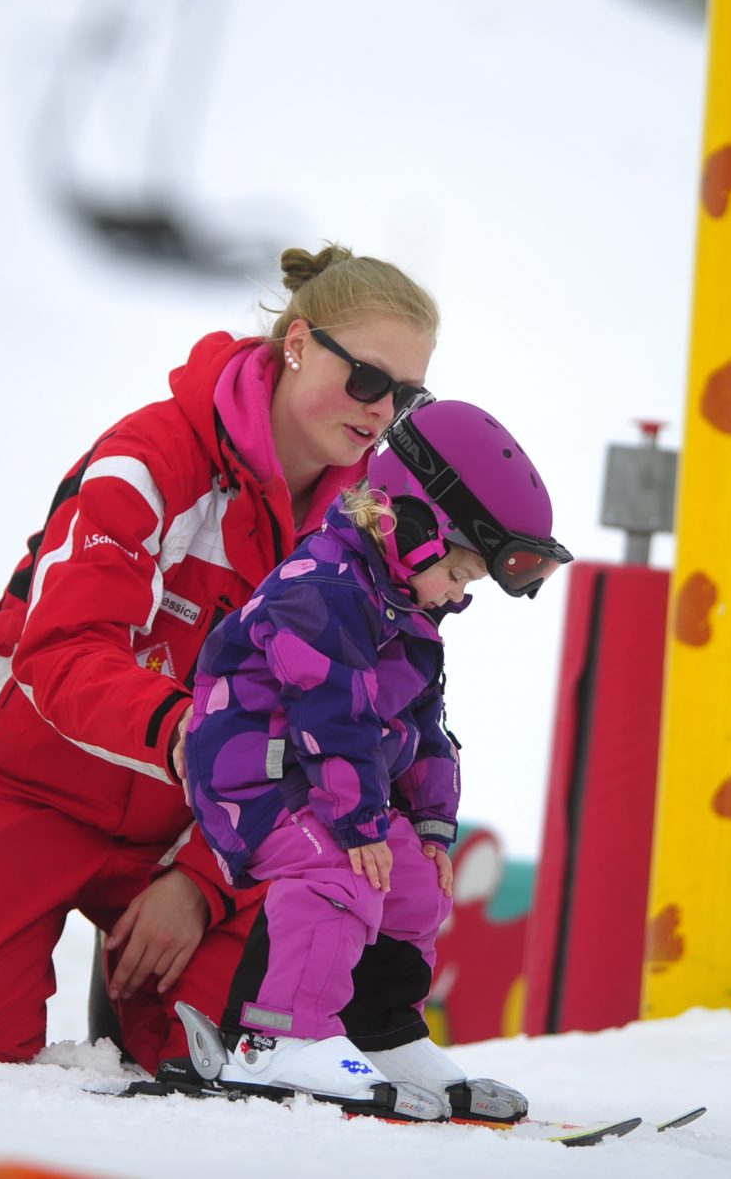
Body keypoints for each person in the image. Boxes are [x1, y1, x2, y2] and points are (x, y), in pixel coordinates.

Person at [0, 245, 439, 1073]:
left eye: (407, 396)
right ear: (299, 344)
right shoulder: (155, 455)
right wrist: (187, 732)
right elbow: (61, 650)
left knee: (238, 1062)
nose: (383, 411)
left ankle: (146, 999)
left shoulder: (364, 528)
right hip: (30, 783)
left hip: (195, 821)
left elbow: (341, 725)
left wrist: (203, 880)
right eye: (367, 380)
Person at [182, 399, 574, 1120]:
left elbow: (423, 724)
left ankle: (379, 1031)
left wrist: (430, 825)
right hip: (256, 772)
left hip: (327, 781)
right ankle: (279, 1039)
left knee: (414, 879)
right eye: (459, 573)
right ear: (417, 529)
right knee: (339, 864)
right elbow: (335, 717)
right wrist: (361, 821)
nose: (460, 595)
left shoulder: (407, 609)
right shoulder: (325, 588)